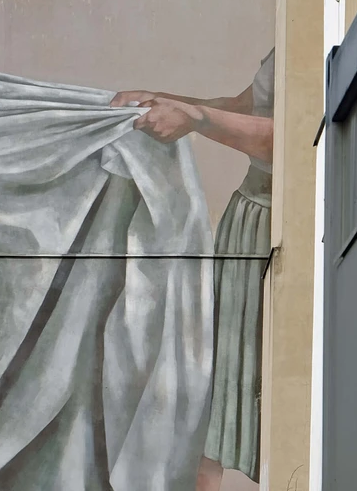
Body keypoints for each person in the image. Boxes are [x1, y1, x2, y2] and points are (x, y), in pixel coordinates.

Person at [111, 47, 275, 491]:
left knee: (256, 378)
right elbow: (245, 107)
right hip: (250, 220)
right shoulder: (290, 43)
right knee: (211, 380)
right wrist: (166, 100)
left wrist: (197, 119)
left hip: (286, 229)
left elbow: (293, 143)